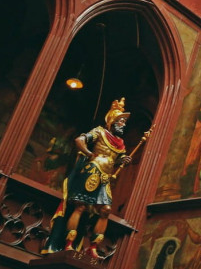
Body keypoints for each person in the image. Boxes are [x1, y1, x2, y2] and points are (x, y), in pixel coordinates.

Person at [43, 98, 134, 258]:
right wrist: (89, 153)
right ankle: (68, 244)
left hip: (105, 177)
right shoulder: (99, 132)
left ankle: (93, 247)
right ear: (112, 121)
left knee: (105, 210)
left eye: (124, 123)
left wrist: (124, 161)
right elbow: (79, 140)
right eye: (120, 122)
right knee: (80, 206)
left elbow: (117, 159)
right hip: (92, 171)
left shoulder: (120, 142)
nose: (123, 125)